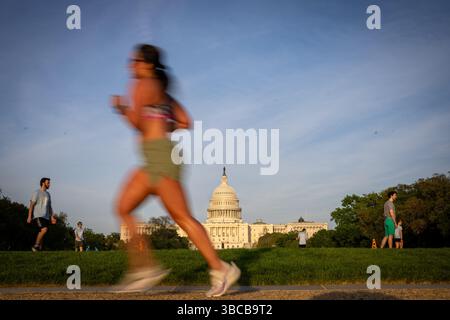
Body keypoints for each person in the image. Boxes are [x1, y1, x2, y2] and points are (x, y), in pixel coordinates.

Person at [111, 44, 240, 296]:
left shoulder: (140, 85)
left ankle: (213, 269)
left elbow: (137, 123)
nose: (130, 65)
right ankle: (146, 268)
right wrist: (161, 123)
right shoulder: (164, 92)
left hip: (159, 158)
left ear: (146, 63)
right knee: (127, 208)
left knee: (179, 218)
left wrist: (122, 108)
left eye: (134, 60)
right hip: (161, 156)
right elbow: (185, 121)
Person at [27, 177, 56, 251]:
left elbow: (49, 206)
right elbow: (31, 205)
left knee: (42, 233)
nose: (49, 184)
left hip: (46, 217)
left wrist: (52, 217)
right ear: (43, 183)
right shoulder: (36, 192)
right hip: (38, 216)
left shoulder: (48, 194)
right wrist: (29, 216)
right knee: (44, 230)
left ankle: (39, 249)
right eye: (48, 182)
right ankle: (35, 246)